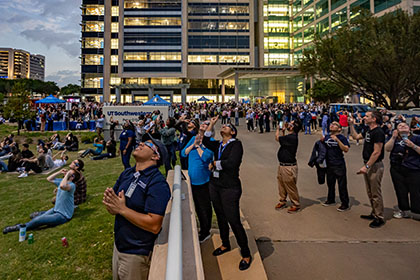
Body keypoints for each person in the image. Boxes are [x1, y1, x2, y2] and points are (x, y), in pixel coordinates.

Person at [103, 134, 170, 280]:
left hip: (136, 254)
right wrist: (111, 205)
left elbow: (154, 225)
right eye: (142, 142)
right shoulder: (128, 173)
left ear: (155, 156)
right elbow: (113, 205)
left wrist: (122, 210)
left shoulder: (158, 183)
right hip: (119, 246)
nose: (140, 144)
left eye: (147, 144)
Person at [202, 116, 252, 271]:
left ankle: (246, 253)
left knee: (233, 219)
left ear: (233, 132)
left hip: (230, 187)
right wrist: (211, 124)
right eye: (222, 126)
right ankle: (225, 244)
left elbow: (232, 163)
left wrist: (215, 163)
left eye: (227, 126)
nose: (223, 127)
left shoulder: (236, 144)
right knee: (221, 216)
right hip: (215, 185)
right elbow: (206, 141)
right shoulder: (219, 144)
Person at [3, 169, 78, 234]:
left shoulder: (72, 185)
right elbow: (49, 179)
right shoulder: (62, 181)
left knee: (38, 220)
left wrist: (67, 175)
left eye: (69, 172)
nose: (67, 172)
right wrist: (59, 172)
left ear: (72, 177)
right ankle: (39, 215)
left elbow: (62, 186)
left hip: (63, 215)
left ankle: (19, 227)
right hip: (56, 209)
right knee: (40, 217)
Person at [349, 110, 386, 228]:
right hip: (368, 164)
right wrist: (351, 125)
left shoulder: (378, 132)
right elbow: (355, 137)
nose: (364, 118)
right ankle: (374, 212)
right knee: (370, 192)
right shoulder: (367, 130)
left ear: (374, 119)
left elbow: (377, 152)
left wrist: (367, 166)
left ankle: (379, 217)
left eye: (367, 116)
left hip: (374, 165)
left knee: (375, 192)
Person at [182, 121, 214, 243]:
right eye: (203, 123)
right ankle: (201, 228)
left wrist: (198, 146)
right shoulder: (193, 139)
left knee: (204, 207)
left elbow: (206, 157)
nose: (203, 125)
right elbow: (183, 153)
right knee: (196, 207)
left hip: (203, 181)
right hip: (192, 180)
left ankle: (206, 231)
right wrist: (193, 145)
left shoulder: (210, 142)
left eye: (207, 124)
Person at [385, 122, 420, 220]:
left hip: (414, 168)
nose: (402, 126)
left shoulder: (416, 138)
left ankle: (417, 210)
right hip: (397, 168)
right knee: (400, 190)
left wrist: (413, 146)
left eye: (405, 125)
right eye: (400, 126)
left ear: (409, 129)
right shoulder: (394, 138)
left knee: (415, 191)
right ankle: (404, 210)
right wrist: (392, 138)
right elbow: (387, 149)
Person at [322, 122, 350, 211]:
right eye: (331, 124)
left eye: (335, 125)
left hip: (339, 164)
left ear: (339, 129)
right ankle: (331, 199)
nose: (331, 125)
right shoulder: (327, 136)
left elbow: (346, 149)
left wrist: (337, 140)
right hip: (329, 163)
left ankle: (345, 203)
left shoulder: (342, 138)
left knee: (342, 184)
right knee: (330, 183)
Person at [274, 120, 301, 213]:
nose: (288, 123)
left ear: (293, 127)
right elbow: (284, 139)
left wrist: (278, 129)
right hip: (282, 165)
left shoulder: (292, 137)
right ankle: (282, 200)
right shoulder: (290, 137)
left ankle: (296, 204)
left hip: (288, 167)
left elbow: (277, 138)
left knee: (290, 186)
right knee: (281, 185)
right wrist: (283, 131)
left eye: (290, 123)